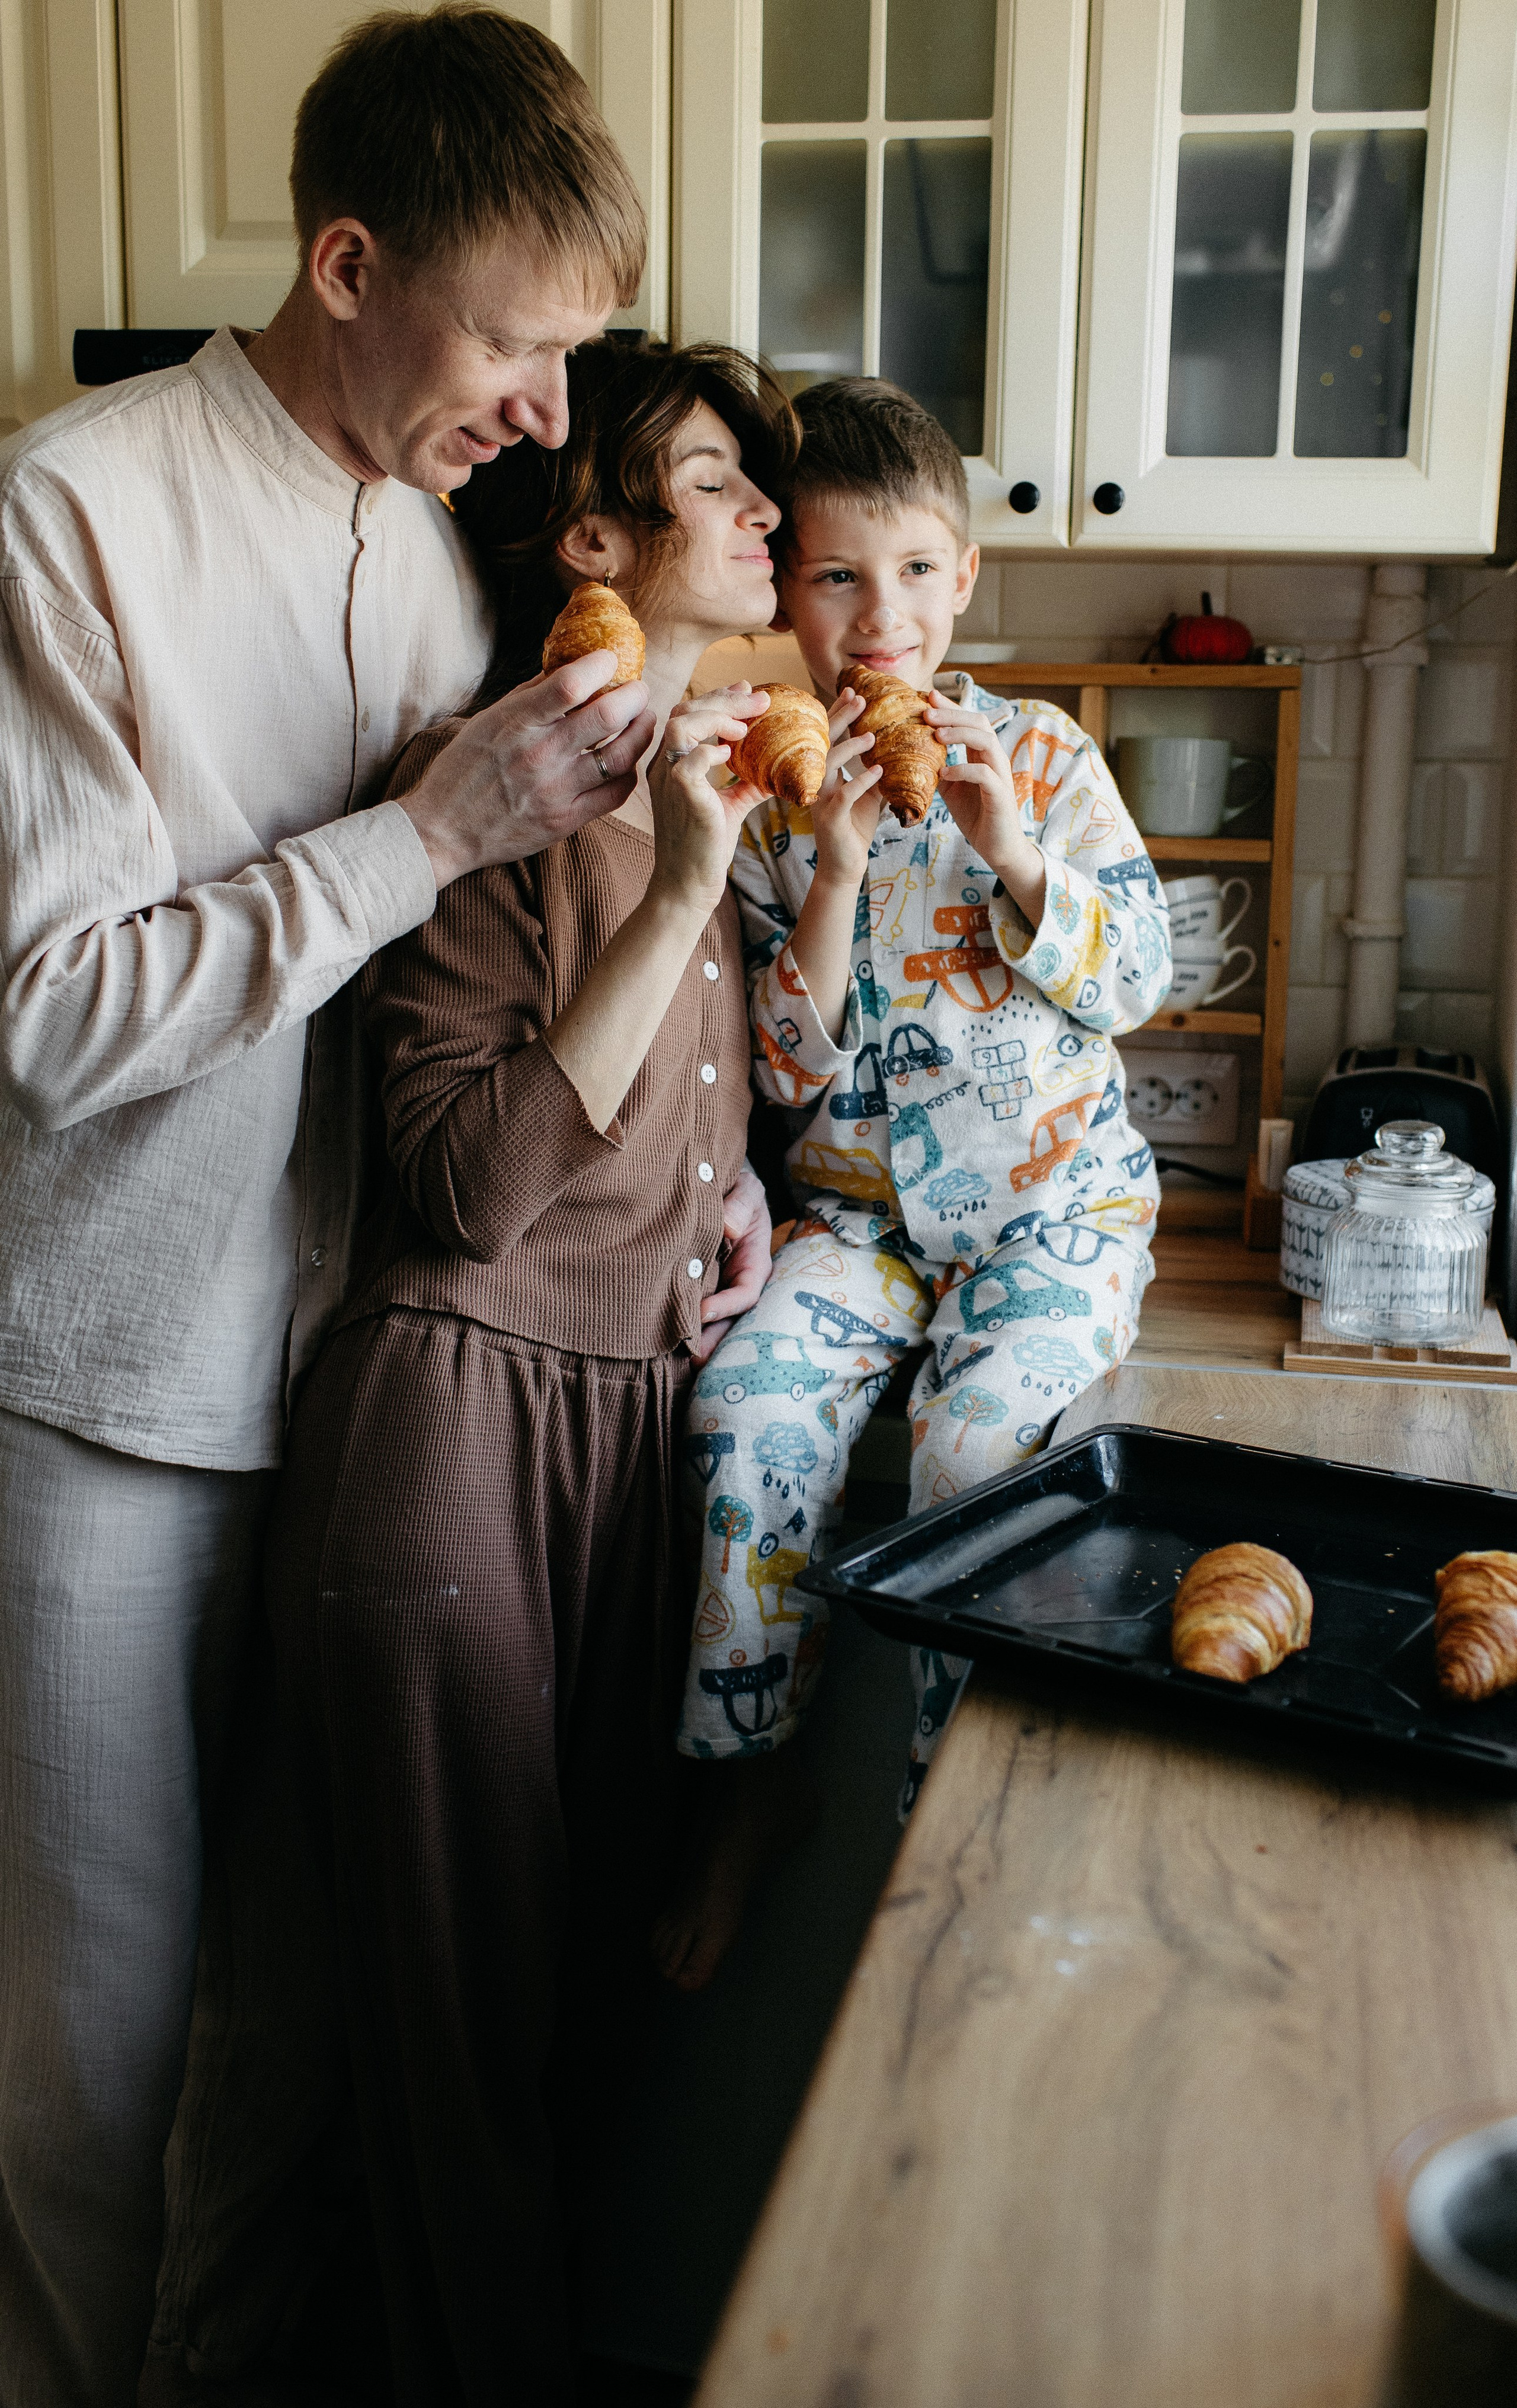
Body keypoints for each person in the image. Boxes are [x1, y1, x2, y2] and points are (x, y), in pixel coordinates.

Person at [0, 11, 665, 2404]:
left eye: (573, 357)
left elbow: (470, 1015)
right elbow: (53, 1015)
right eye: (513, 347)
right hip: (99, 1402)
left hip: (368, 1402)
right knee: (91, 2096)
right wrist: (425, 831)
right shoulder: (71, 513)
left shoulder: (459, 562)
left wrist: (680, 1202)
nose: (549, 415)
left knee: (287, 2066)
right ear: (350, 266)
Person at [264, 335, 795, 2403]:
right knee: (459, 2067)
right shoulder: (490, 782)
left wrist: (732, 1196)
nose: (764, 511)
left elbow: (651, 1114)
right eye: (714, 479)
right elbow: (472, 1186)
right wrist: (685, 890)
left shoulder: (706, 777)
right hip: (456, 1434)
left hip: (632, 1437)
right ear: (590, 539)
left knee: (579, 2018)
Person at [655, 378, 1173, 1992]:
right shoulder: (768, 794)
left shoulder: (1049, 757)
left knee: (977, 1454)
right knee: (743, 1416)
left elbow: (1139, 979)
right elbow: (779, 1073)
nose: (881, 619)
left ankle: (947, 1824)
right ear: (783, 588)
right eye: (836, 577)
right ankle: (748, 1782)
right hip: (858, 1225)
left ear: (967, 577)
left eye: (917, 573)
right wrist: (835, 868)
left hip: (1051, 1213)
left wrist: (1015, 852)